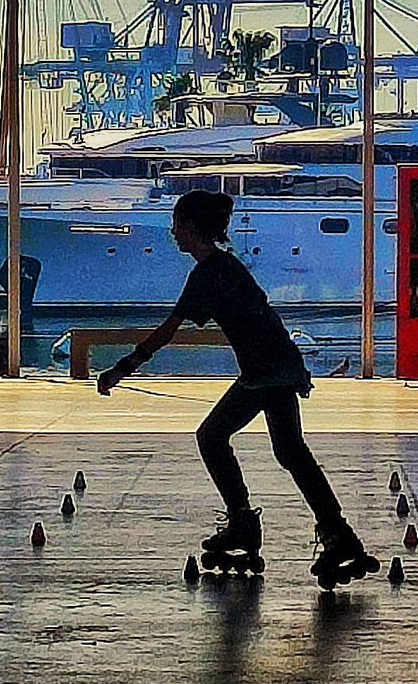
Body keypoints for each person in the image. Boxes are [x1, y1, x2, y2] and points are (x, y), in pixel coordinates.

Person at [97, 189, 375, 585]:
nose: (173, 232)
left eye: (176, 224)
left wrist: (121, 368)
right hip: (277, 364)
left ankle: (246, 523)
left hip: (264, 371)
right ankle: (337, 535)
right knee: (291, 453)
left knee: (212, 437)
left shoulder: (208, 274)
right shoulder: (226, 267)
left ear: (191, 227)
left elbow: (167, 332)